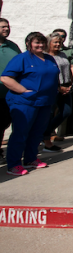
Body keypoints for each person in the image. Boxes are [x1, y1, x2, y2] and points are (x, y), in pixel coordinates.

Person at [1, 32, 60, 175]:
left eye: (42, 42)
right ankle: (14, 164)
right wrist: (23, 91)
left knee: (37, 132)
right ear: (29, 44)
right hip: (25, 102)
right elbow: (6, 78)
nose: (40, 45)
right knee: (21, 133)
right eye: (36, 43)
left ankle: (31, 159)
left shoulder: (49, 58)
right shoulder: (22, 58)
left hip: (44, 101)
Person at [0, 18, 21, 163]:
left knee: (3, 123)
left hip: (8, 94)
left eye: (7, 26)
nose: (6, 29)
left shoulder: (13, 46)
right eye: (3, 27)